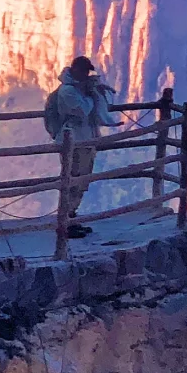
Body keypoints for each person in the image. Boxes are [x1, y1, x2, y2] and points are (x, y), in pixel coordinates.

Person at [44, 56, 115, 237]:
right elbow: (82, 110)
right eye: (83, 71)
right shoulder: (67, 91)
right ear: (75, 70)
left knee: (81, 181)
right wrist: (90, 95)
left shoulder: (78, 89)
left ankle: (71, 218)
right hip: (74, 143)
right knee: (73, 180)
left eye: (87, 72)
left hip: (85, 140)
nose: (85, 75)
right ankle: (66, 222)